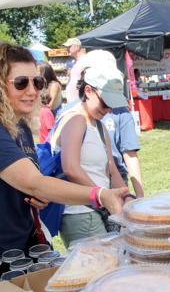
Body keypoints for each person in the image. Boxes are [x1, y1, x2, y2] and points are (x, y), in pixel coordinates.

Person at [0, 43, 127, 261]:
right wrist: (100, 195)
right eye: (21, 83)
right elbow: (34, 182)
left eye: (37, 82)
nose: (32, 91)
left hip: (16, 249)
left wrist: (37, 198)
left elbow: (26, 186)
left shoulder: (21, 128)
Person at [52, 62, 136, 246]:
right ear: (88, 91)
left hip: (98, 210)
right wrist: (103, 197)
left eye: (112, 105)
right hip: (80, 213)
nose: (108, 110)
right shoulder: (75, 120)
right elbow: (71, 168)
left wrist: (126, 196)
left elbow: (112, 170)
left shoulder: (99, 125)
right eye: (106, 103)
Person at [64, 37, 86, 104]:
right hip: (74, 102)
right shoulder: (76, 61)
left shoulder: (84, 60)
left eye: (69, 46)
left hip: (80, 102)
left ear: (77, 47)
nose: (67, 49)